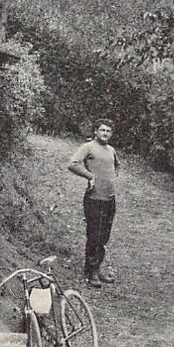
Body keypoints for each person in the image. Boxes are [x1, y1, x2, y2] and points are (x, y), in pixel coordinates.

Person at [68, 118, 120, 289]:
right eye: (102, 130)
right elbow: (73, 164)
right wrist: (90, 177)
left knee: (104, 236)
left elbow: (116, 166)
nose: (105, 133)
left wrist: (110, 180)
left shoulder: (111, 150)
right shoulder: (88, 147)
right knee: (94, 235)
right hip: (94, 199)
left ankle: (97, 268)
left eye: (108, 131)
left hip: (109, 199)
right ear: (96, 131)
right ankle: (91, 272)